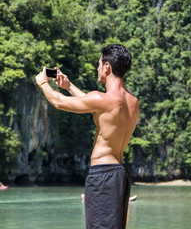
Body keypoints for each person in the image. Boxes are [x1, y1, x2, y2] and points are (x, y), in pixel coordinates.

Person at [35, 44, 139, 229]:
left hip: (103, 176)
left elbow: (59, 102)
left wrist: (43, 83)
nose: (97, 68)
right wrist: (69, 86)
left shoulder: (103, 99)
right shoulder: (132, 102)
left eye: (99, 64)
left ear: (107, 67)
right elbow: (96, 107)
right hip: (121, 173)